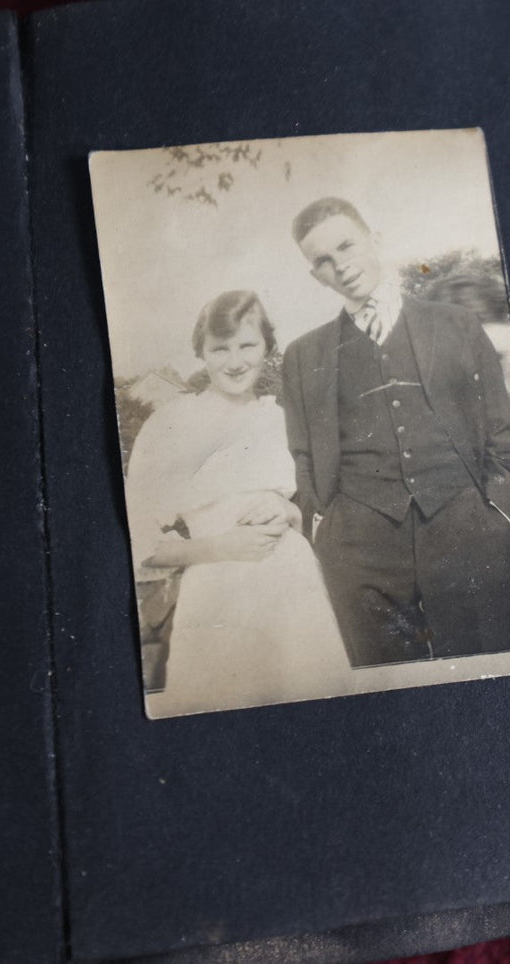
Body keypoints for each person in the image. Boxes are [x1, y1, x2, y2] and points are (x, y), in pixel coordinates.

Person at [283, 197, 510, 667]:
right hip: (359, 549)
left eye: (347, 246)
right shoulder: (302, 356)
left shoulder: (454, 324)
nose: (341, 266)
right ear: (316, 275)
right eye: (324, 261)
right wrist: (325, 530)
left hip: (465, 530)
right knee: (390, 697)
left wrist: (499, 512)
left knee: (487, 674)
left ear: (376, 240)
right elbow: (303, 455)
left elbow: (500, 428)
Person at [125, 291, 352, 718]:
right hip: (217, 594)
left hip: (295, 591)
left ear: (266, 347)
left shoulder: (280, 418)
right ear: (201, 352)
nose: (235, 361)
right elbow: (140, 545)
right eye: (219, 348)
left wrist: (288, 512)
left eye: (247, 345)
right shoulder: (172, 424)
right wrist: (219, 548)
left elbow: (305, 511)